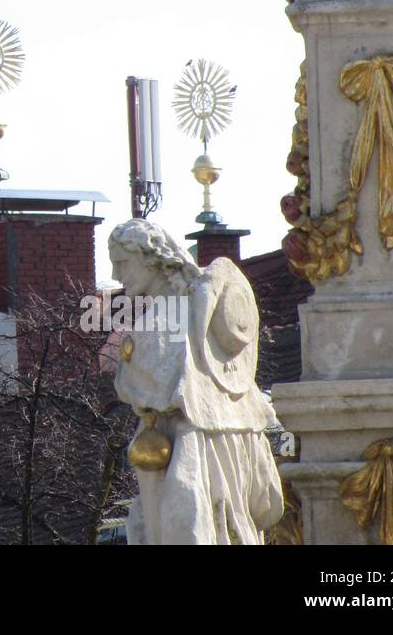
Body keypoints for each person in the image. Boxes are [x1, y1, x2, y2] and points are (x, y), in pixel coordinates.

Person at [109, 218, 283, 544]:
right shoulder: (182, 314)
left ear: (152, 258)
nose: (117, 276)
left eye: (122, 263)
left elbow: (137, 386)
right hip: (215, 451)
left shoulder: (160, 326)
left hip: (190, 454)